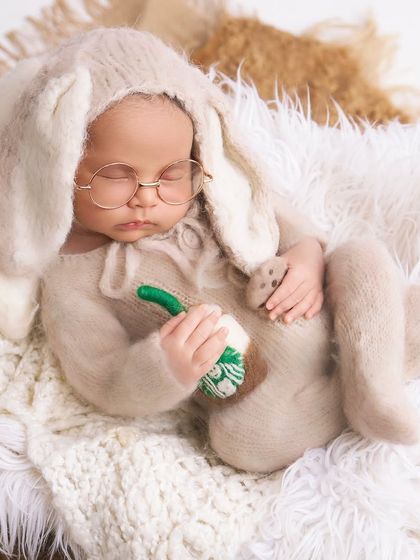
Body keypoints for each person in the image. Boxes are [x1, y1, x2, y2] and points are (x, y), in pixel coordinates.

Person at [0, 28, 418, 473]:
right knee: (239, 442)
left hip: (317, 312)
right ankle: (351, 390)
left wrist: (306, 260)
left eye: (171, 173)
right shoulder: (71, 278)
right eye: (117, 174)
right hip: (260, 386)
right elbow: (102, 378)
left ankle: (375, 387)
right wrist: (164, 366)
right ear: (61, 166)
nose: (147, 196)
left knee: (361, 257)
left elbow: (288, 222)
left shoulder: (213, 192)